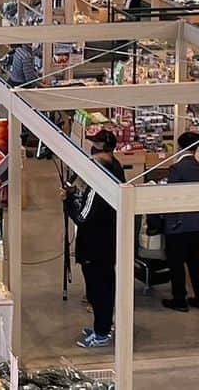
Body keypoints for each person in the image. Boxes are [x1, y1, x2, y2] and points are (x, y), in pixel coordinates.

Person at [65, 129, 125, 348]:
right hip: (109, 242)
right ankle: (103, 326)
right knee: (105, 286)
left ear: (100, 148)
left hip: (95, 246)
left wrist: (69, 200)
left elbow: (82, 216)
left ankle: (101, 332)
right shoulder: (116, 169)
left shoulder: (100, 182)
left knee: (98, 290)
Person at [156, 131, 199, 312]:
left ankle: (180, 299)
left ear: (180, 147)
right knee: (194, 259)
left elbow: (171, 196)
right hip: (198, 223)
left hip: (179, 224)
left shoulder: (177, 168)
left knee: (176, 262)